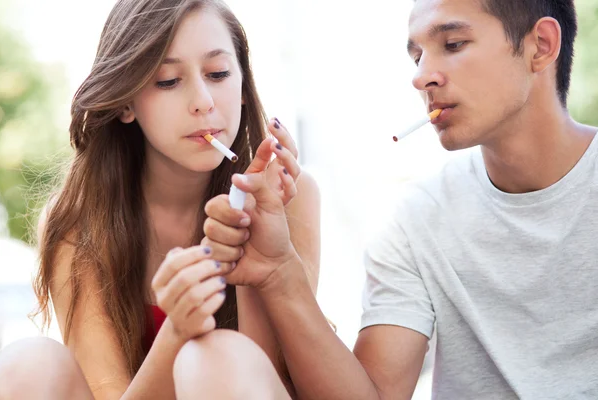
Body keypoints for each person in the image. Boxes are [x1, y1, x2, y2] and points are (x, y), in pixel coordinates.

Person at [203, 0, 598, 398]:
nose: (421, 76)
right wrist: (278, 270)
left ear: (542, 45)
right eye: (417, 56)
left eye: (454, 44)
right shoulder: (418, 219)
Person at [0, 0, 320, 399]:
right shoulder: (78, 220)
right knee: (29, 364)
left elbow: (268, 378)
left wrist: (252, 250)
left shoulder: (289, 195)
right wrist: (177, 333)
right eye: (168, 80)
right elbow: (109, 392)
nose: (203, 100)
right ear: (125, 103)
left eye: (218, 74)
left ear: (242, 87)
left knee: (220, 357)